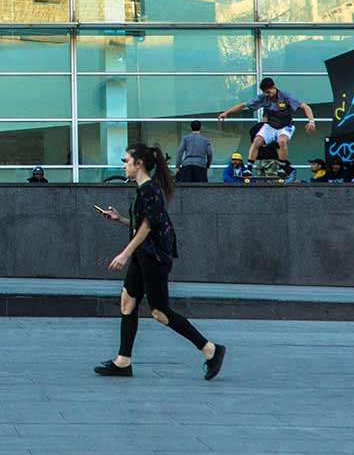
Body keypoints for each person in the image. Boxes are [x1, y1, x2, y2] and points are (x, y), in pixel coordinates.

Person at [93, 144, 226, 380]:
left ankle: (210, 350)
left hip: (153, 258)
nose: (123, 165)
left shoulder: (150, 190)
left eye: (126, 161)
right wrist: (119, 219)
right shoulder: (143, 190)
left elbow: (147, 227)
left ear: (139, 163)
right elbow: (142, 224)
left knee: (160, 312)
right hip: (143, 255)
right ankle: (123, 361)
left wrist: (124, 254)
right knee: (128, 302)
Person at [218, 78, 318, 177]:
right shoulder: (263, 97)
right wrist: (227, 113)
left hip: (285, 126)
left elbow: (305, 107)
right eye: (265, 92)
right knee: (257, 141)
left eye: (268, 92)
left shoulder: (285, 96)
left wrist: (311, 121)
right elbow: (244, 105)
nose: (267, 95)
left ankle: (282, 167)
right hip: (270, 126)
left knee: (282, 141)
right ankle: (249, 168)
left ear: (273, 87)